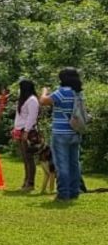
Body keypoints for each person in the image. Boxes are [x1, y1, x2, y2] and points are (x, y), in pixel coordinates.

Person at [39, 68, 85, 201]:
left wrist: (44, 91)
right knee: (74, 164)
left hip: (60, 134)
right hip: (75, 132)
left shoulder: (62, 92)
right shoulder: (78, 93)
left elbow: (43, 101)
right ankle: (74, 191)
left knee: (61, 164)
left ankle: (63, 194)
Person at [13, 79, 39, 192]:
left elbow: (32, 117)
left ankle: (30, 182)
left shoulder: (32, 100)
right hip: (20, 129)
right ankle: (26, 181)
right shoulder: (24, 100)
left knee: (29, 158)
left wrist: (26, 131)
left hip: (27, 131)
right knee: (24, 158)